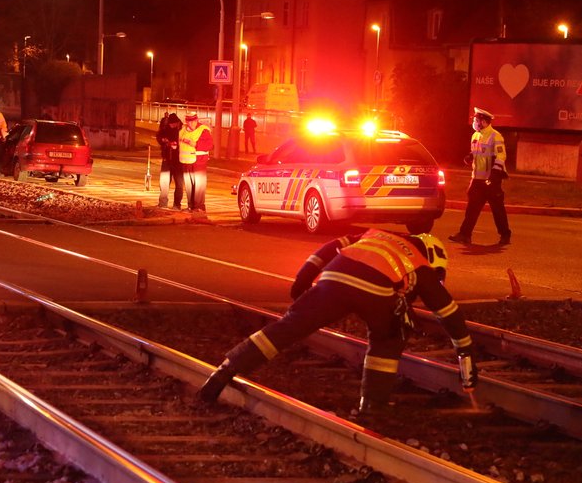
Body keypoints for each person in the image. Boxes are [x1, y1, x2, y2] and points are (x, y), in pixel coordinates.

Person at [197, 230, 479, 418]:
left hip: (334, 278)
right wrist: (465, 353)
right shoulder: (419, 263)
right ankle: (373, 404)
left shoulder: (373, 235)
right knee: (389, 338)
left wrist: (304, 278)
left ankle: (225, 371)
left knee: (288, 327)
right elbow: (449, 313)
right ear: (433, 255)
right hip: (376, 290)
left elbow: (331, 246)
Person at [449, 107, 512, 246]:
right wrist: (470, 157)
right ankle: (465, 234)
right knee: (471, 209)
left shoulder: (496, 136)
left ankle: (505, 235)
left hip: (491, 181)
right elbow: (476, 152)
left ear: (484, 121)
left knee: (497, 210)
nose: (474, 122)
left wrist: (495, 174)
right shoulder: (475, 135)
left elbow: (501, 156)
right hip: (477, 179)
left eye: (477, 120)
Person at [178, 111, 213, 213]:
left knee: (199, 186)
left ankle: (199, 207)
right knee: (189, 186)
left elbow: (209, 145)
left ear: (197, 120)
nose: (191, 124)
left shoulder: (203, 130)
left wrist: (195, 144)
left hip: (199, 162)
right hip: (186, 162)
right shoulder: (183, 130)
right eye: (189, 122)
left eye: (193, 121)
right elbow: (180, 141)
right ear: (186, 122)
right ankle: (191, 206)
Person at [156, 112, 184, 209]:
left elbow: (184, 142)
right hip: (167, 159)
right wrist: (164, 141)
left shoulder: (182, 130)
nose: (171, 125)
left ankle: (177, 204)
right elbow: (159, 136)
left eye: (172, 124)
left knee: (179, 184)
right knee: (164, 183)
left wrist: (177, 145)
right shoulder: (166, 128)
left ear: (177, 123)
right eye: (170, 124)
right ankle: (163, 203)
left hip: (178, 161)